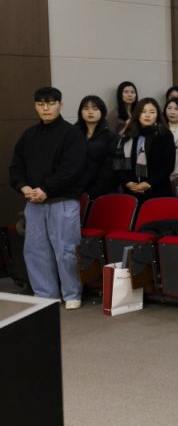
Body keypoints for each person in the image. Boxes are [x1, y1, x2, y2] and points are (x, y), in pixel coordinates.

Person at [9, 87, 87, 309]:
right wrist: (23, 186)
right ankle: (45, 294)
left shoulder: (72, 134)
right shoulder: (29, 135)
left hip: (63, 201)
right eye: (41, 104)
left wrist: (46, 189)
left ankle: (72, 294)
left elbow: (71, 168)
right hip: (34, 202)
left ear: (60, 105)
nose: (46, 108)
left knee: (66, 250)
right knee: (35, 251)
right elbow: (16, 165)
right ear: (35, 106)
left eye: (51, 103)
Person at [114, 98, 176, 200]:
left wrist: (148, 183)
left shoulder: (164, 135)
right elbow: (118, 165)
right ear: (137, 114)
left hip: (158, 192)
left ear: (157, 115)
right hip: (131, 192)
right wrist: (128, 183)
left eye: (152, 112)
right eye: (143, 111)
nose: (147, 115)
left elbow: (168, 165)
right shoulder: (127, 135)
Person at [75, 95, 119, 199]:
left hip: (101, 192)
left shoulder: (112, 137)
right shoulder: (72, 135)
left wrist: (91, 192)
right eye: (86, 109)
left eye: (95, 109)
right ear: (80, 112)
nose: (90, 112)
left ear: (102, 112)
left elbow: (111, 170)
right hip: (73, 191)